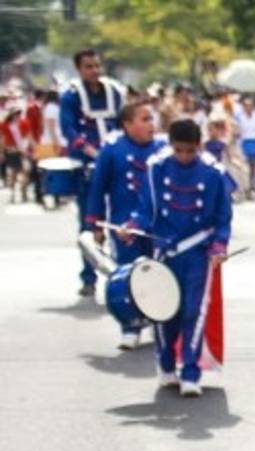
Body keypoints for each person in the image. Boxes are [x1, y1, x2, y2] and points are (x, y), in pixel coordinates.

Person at [130, 119, 232, 397]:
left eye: (190, 151)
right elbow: (145, 210)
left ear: (198, 146)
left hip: (198, 252)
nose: (184, 156)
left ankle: (191, 371)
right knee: (164, 312)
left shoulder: (213, 173)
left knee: (193, 311)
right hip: (165, 251)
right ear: (170, 146)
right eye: (179, 150)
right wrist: (131, 226)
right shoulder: (157, 168)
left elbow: (223, 217)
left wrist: (219, 245)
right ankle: (165, 366)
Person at [85, 102, 165, 349]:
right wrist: (94, 224)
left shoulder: (163, 149)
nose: (151, 124)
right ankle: (130, 326)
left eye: (152, 119)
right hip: (123, 226)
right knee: (127, 275)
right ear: (127, 125)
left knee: (158, 274)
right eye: (144, 119)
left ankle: (157, 322)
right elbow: (98, 187)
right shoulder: (112, 149)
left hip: (158, 225)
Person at [60, 48, 126, 296]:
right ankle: (88, 276)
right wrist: (89, 151)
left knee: (121, 218)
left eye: (97, 65)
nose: (94, 71)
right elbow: (69, 129)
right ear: (79, 69)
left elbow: (124, 122)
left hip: (116, 163)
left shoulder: (115, 92)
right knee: (89, 220)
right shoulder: (71, 96)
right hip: (88, 165)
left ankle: (122, 274)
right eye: (89, 66)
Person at [234, 96, 255, 198]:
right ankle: (246, 188)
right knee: (245, 167)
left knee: (254, 167)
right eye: (246, 106)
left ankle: (252, 186)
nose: (248, 108)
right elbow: (237, 132)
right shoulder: (239, 118)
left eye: (250, 106)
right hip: (244, 143)